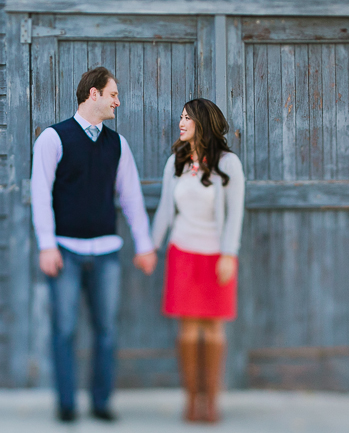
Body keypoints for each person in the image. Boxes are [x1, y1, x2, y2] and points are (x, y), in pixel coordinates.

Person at [31, 66, 156, 423]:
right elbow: (39, 194)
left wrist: (144, 245)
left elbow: (131, 197)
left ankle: (101, 403)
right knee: (65, 329)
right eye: (113, 94)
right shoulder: (53, 139)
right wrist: (46, 245)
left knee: (106, 331)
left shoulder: (117, 144)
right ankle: (67, 404)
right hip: (64, 251)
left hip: (106, 253)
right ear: (93, 94)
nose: (118, 101)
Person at [148, 98, 245, 423]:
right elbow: (164, 209)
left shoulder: (228, 163)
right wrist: (151, 246)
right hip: (183, 252)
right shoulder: (175, 160)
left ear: (202, 122)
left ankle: (212, 402)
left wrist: (228, 254)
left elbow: (235, 213)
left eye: (187, 117)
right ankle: (191, 401)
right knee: (188, 331)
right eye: (181, 117)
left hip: (216, 255)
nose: (181, 122)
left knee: (214, 329)